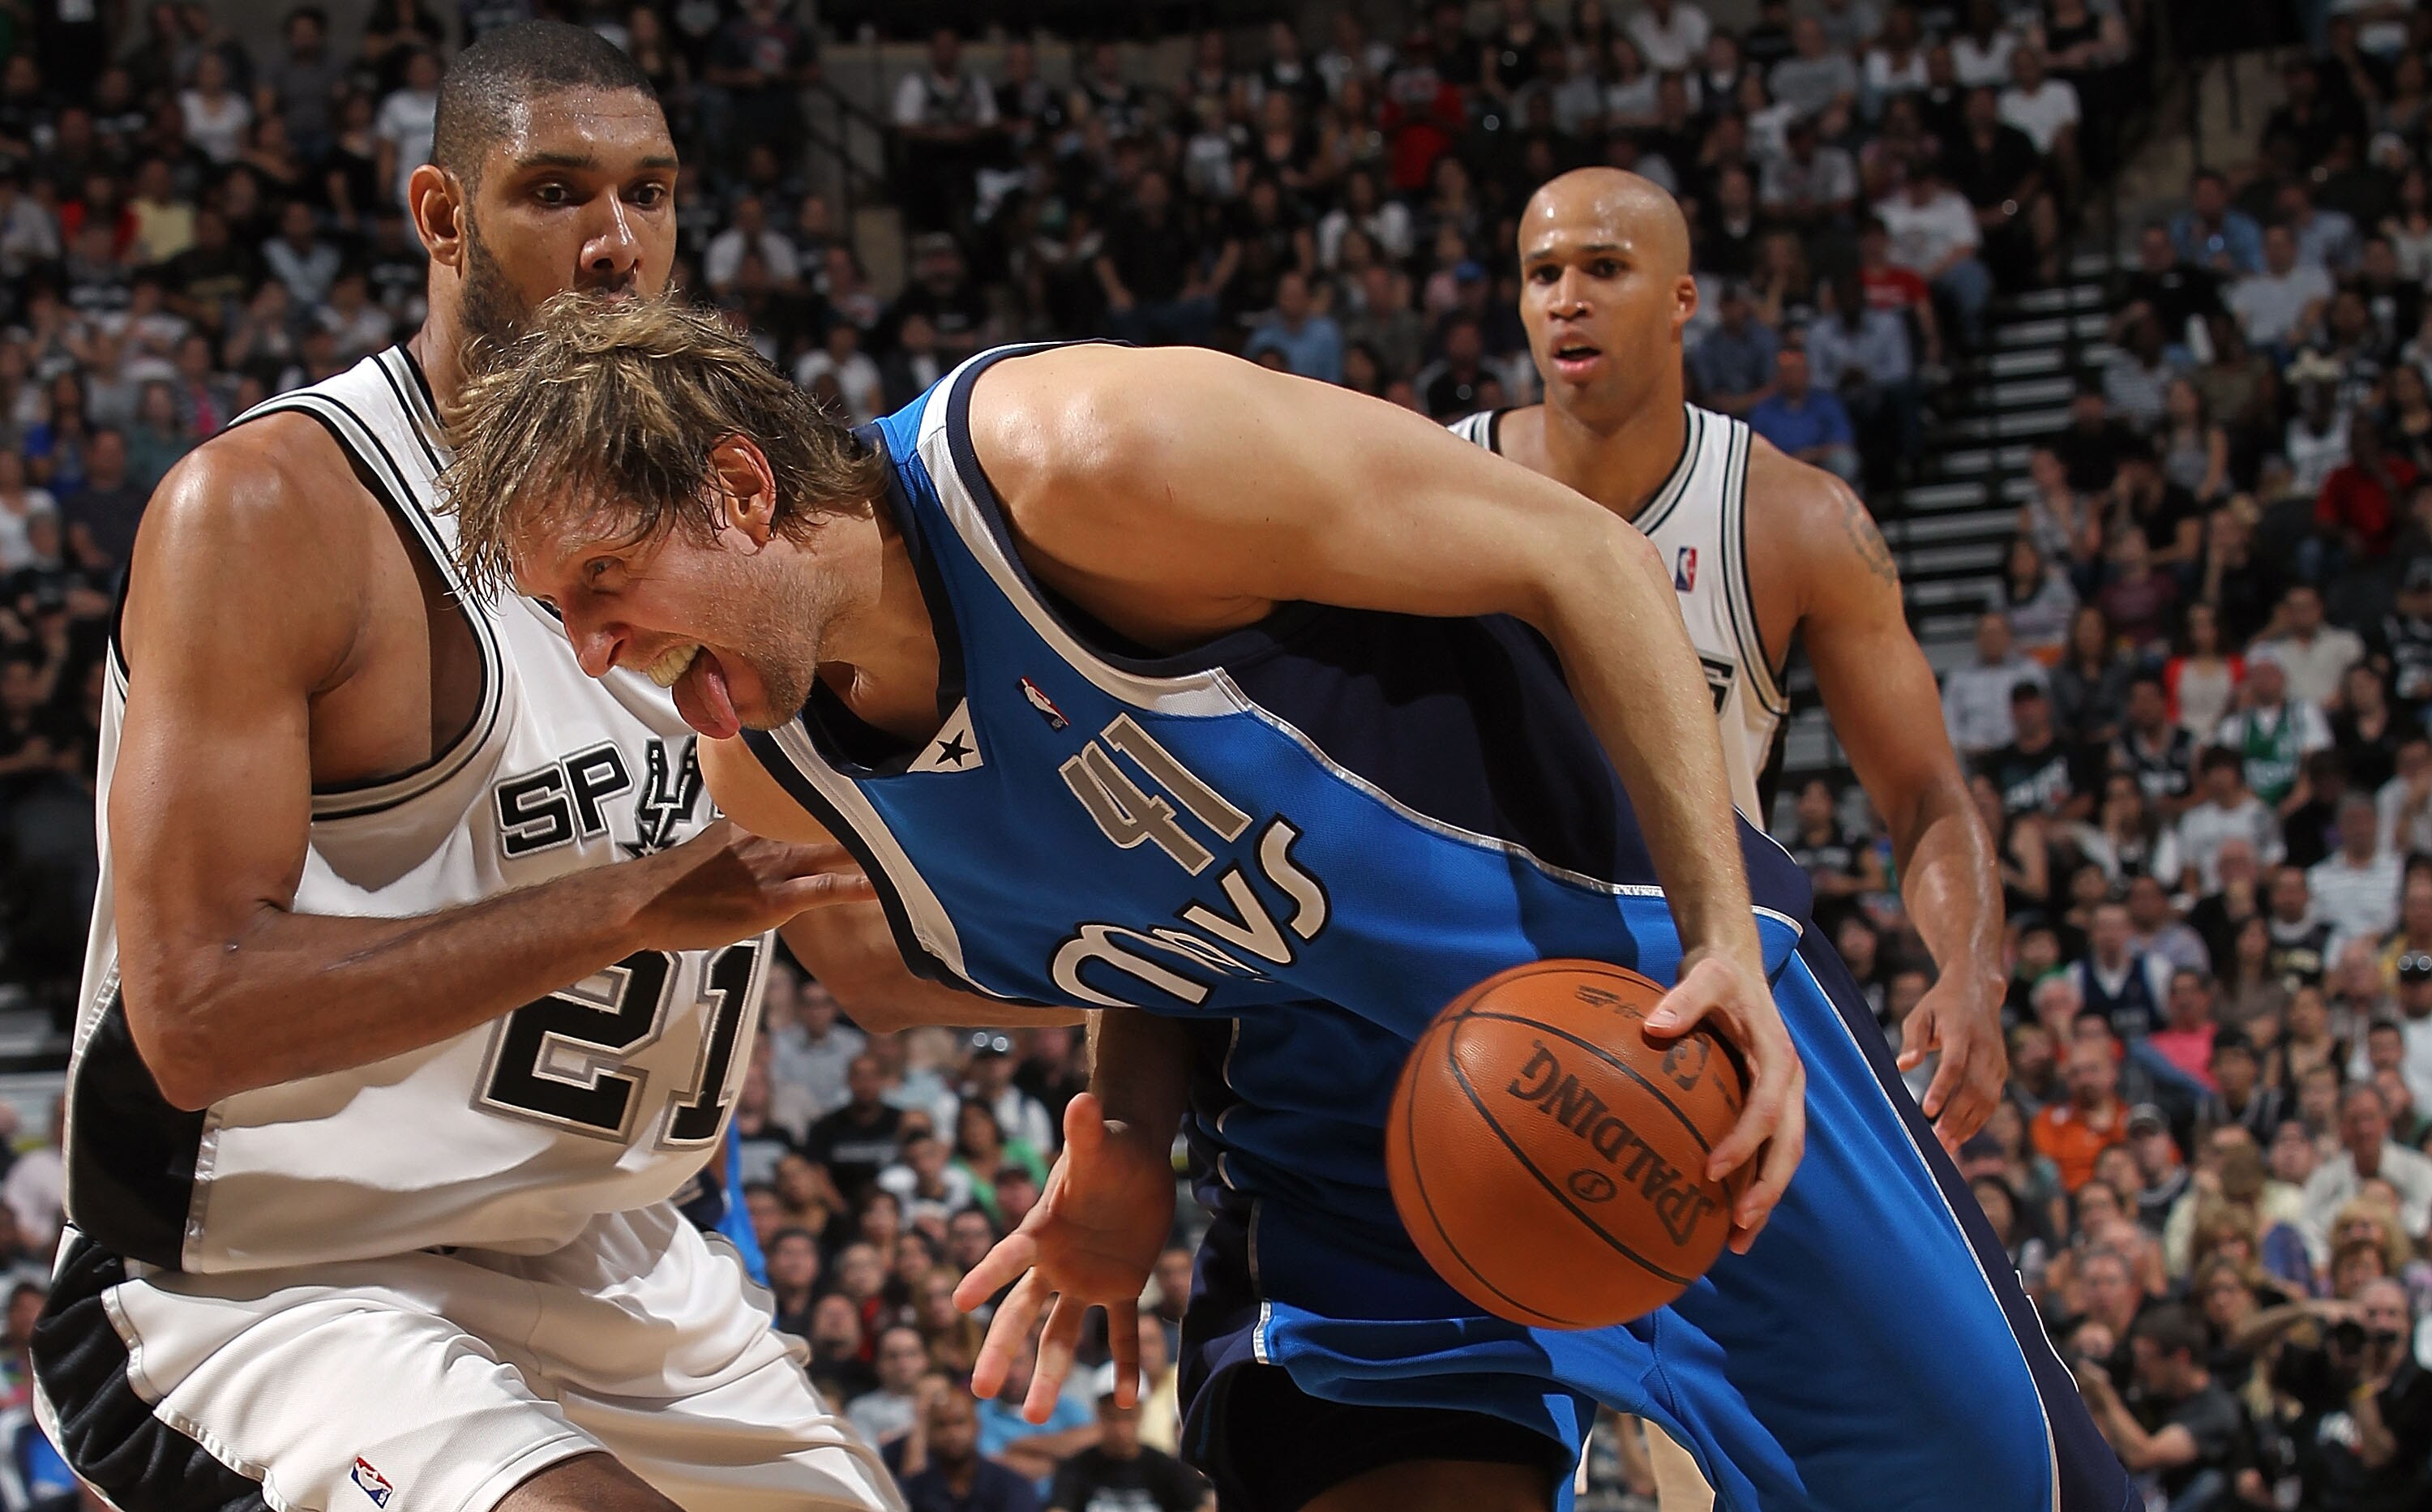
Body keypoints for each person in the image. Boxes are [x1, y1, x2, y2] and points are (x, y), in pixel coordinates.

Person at [448, 313, 2130, 1512]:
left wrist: (1711, 937)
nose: (598, 655)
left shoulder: (1083, 462)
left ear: (743, 488)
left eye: (607, 587)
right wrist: (1125, 1134)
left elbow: (1586, 556)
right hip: (1348, 1140)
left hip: (1639, 1033)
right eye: (562, 619)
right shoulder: (774, 767)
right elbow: (1143, 890)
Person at [30, 25, 1026, 1512]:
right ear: (442, 215)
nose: (617, 243)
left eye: (652, 192)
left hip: (606, 1261)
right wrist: (616, 909)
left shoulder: (728, 512)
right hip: (267, 1277)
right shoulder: (272, 512)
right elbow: (196, 1017)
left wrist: (1193, 998)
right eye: (557, 191)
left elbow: (866, 958)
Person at [1449, 169, 2006, 1146]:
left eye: (1605, 268)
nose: (1567, 298)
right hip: (1478, 993)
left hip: (1699, 1002)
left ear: (1682, 300)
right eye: (1543, 275)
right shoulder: (1433, 482)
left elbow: (1923, 793)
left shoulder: (1792, 519)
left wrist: (1970, 967)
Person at [2074, 1305, 2247, 1510]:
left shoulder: (2216, 1410)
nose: (2141, 1367)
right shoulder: (2156, 1396)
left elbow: (2143, 1455)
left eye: (2148, 1358)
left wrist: (2106, 1396)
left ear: (2180, 1359)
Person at [1044, 1363, 1210, 1512]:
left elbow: (1200, 1507)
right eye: (1112, 1417)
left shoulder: (1167, 1469)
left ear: (1142, 1413)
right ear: (1099, 1414)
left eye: (1128, 1417)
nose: (1121, 1428)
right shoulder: (1076, 1469)